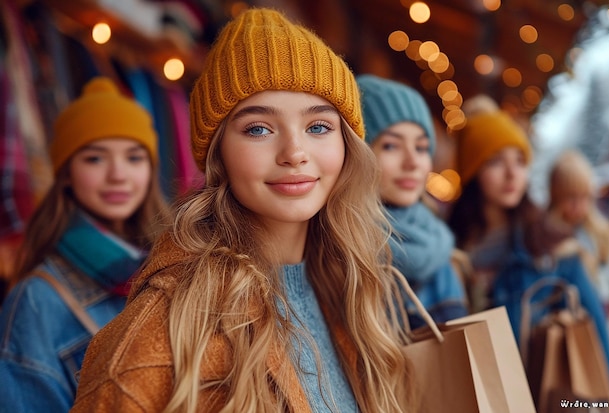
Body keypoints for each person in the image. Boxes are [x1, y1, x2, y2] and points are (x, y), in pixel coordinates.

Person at [71, 8, 416, 413]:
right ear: (218, 154)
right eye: (258, 129)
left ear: (347, 145)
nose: (294, 153)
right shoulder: (161, 333)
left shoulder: (352, 291)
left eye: (318, 126)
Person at [0, 76, 171, 412]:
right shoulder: (37, 299)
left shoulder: (177, 265)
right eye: (95, 159)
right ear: (66, 173)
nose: (118, 175)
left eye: (134, 157)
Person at [447, 95, 609, 395]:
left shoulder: (551, 246)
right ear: (474, 170)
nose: (512, 174)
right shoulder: (453, 251)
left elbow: (597, 344)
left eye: (519, 160)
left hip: (545, 395)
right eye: (495, 161)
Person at [356, 74, 468, 329]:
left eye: (421, 147)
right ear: (358, 154)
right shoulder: (339, 253)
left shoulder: (440, 244)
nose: (413, 162)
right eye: (391, 146)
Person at [547, 148, 609, 387]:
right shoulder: (552, 243)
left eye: (584, 197)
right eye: (570, 197)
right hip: (580, 338)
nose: (578, 206)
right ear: (556, 198)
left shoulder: (601, 236)